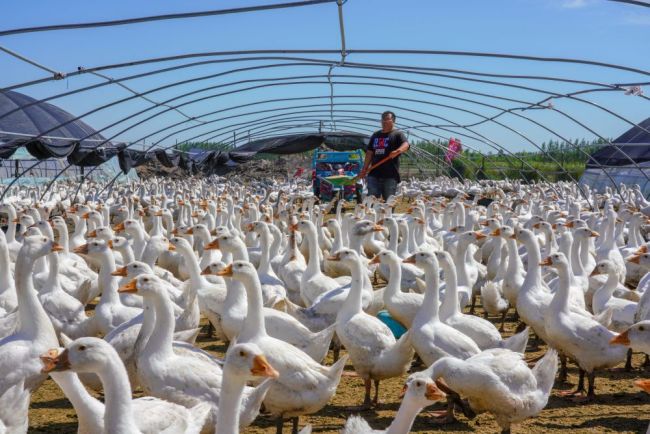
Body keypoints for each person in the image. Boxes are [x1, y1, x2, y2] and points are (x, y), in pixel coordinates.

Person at [358, 111, 410, 200]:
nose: (384, 122)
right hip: (374, 173)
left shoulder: (397, 134)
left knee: (389, 201)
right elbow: (369, 153)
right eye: (382, 119)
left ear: (393, 121)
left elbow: (406, 144)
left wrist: (397, 151)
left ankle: (389, 214)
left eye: (387, 119)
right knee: (372, 200)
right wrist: (365, 168)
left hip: (390, 175)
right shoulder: (376, 135)